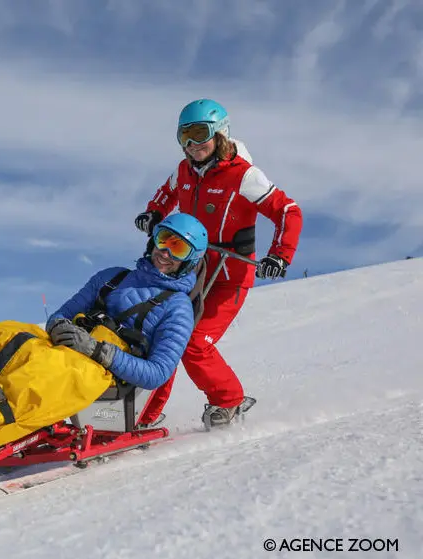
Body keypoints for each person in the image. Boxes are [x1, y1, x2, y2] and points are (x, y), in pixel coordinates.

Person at [134, 98, 303, 429]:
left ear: (220, 133)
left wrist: (280, 254)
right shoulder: (183, 170)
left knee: (194, 343)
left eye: (200, 134)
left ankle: (228, 400)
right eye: (184, 137)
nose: (192, 145)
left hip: (228, 275)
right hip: (189, 268)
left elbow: (287, 210)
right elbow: (166, 193)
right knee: (161, 332)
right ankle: (143, 415)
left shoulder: (243, 175)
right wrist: (154, 212)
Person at [45, 212, 207, 398]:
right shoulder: (111, 277)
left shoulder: (178, 307)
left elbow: (158, 372)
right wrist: (57, 326)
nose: (165, 253)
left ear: (190, 260)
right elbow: (62, 314)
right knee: (11, 336)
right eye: (163, 240)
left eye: (178, 249)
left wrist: (97, 351)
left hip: (104, 380)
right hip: (64, 356)